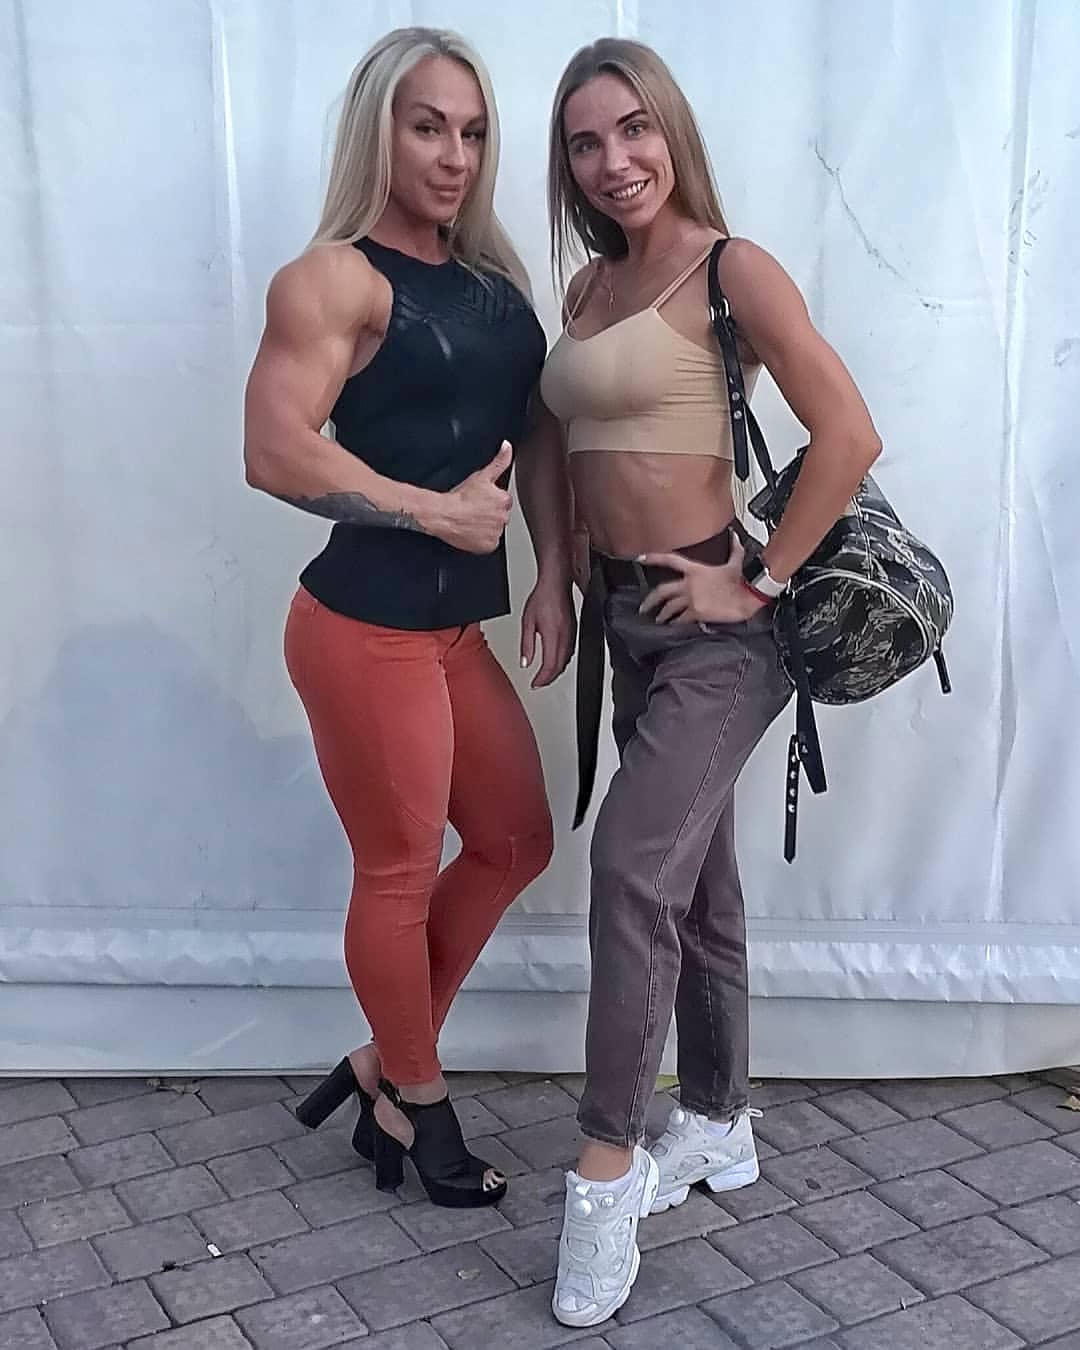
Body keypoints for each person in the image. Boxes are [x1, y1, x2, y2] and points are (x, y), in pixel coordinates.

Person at [540, 38, 882, 1324]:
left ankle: (605, 1171)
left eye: (633, 128)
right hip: (623, 619)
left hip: (717, 632)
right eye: (586, 141)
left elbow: (848, 432)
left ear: (672, 130)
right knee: (695, 877)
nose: (614, 159)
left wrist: (763, 579)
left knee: (633, 866)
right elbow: (562, 438)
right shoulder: (588, 289)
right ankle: (722, 1120)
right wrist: (556, 575)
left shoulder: (729, 267)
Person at [243, 27, 575, 1210]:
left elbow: (537, 432)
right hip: (359, 626)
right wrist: (434, 512)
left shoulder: (494, 286)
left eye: (473, 132)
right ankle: (417, 1099)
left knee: (515, 840)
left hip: (453, 631)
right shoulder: (335, 279)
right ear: (378, 128)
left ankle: (381, 1061)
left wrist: (553, 571)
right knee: (397, 867)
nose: (454, 155)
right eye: (428, 126)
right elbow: (273, 449)